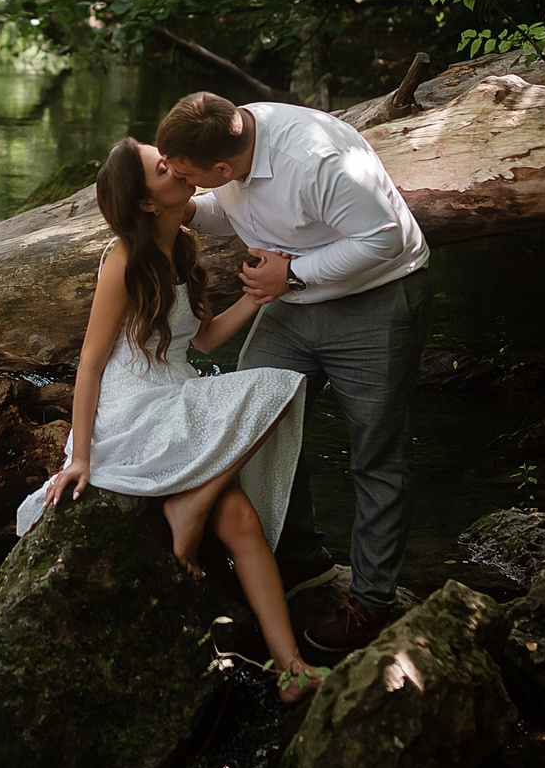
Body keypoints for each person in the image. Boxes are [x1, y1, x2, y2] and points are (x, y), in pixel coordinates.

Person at [17, 136, 326, 701]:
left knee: (242, 524)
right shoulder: (124, 260)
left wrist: (257, 298)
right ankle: (190, 504)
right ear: (146, 202)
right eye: (162, 168)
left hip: (178, 391)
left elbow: (203, 339)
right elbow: (89, 364)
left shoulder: (184, 247)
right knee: (276, 386)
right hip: (135, 407)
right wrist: (79, 455)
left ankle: (291, 669)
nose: (177, 166)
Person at [155, 91, 429, 654]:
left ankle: (372, 602)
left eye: (189, 177)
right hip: (289, 305)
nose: (183, 181)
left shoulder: (317, 160)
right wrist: (188, 211)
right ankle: (303, 560)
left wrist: (295, 274)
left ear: (223, 166)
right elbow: (233, 208)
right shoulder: (231, 141)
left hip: (375, 299)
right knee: (252, 427)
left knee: (375, 452)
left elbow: (385, 238)